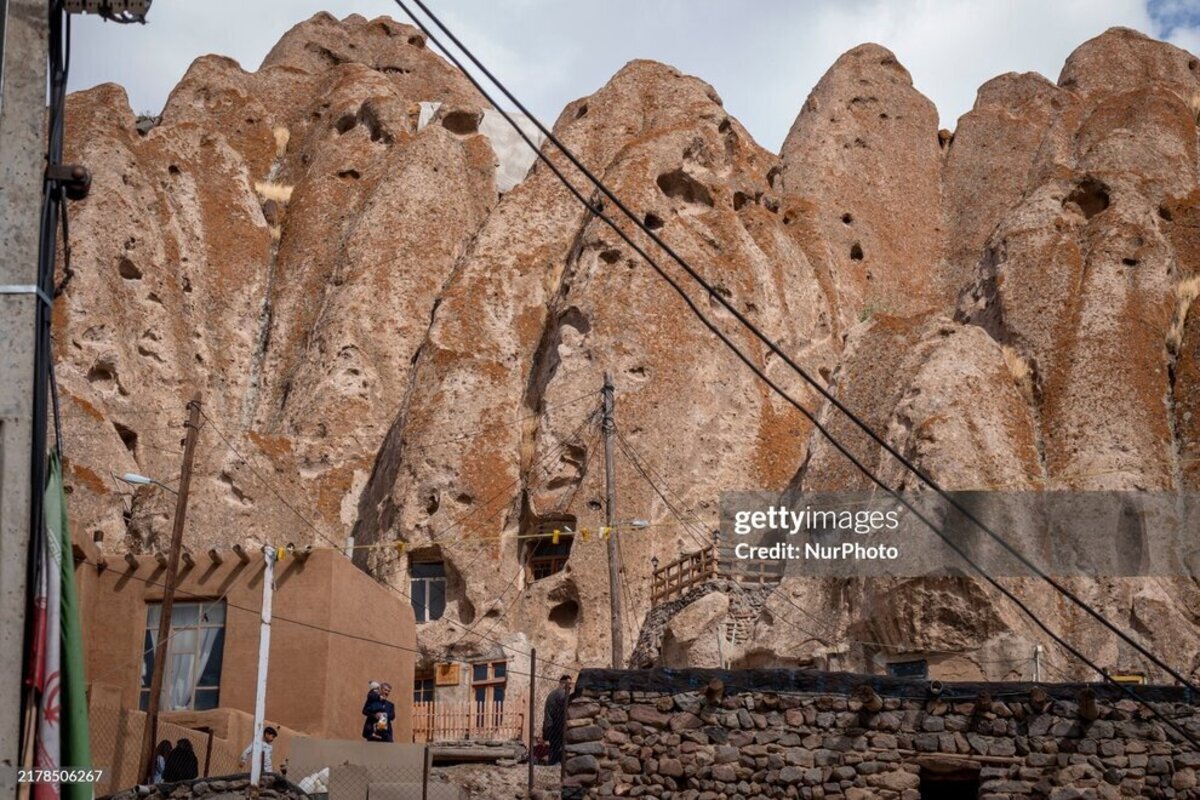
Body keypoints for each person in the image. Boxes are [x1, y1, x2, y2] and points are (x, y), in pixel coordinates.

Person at [542, 674, 572, 765]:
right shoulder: (561, 693)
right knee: (558, 748)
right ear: (563, 683)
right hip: (556, 726)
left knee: (554, 748)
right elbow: (563, 709)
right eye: (569, 684)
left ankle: (552, 765)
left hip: (549, 725)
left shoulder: (552, 693)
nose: (570, 687)